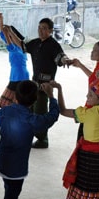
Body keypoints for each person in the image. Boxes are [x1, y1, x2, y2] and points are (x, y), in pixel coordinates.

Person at [25, 18, 70, 149]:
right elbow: (22, 46)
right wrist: (9, 33)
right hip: (34, 84)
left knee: (40, 112)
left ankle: (42, 139)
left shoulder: (53, 45)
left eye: (44, 28)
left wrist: (66, 60)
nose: (41, 30)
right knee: (30, 110)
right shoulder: (36, 43)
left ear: (50, 30)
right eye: (39, 27)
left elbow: (61, 56)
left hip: (46, 87)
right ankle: (30, 134)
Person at [0, 17, 30, 108]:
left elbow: (9, 45)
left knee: (14, 100)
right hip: (17, 74)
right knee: (15, 100)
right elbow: (3, 33)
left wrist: (8, 33)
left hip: (20, 75)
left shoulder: (18, 49)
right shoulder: (18, 47)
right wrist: (1, 20)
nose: (7, 39)